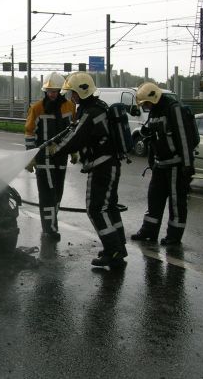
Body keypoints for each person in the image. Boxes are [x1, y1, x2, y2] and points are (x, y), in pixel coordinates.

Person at [47, 72, 127, 269]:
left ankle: (113, 250)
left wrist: (56, 151)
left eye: (72, 93)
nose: (70, 97)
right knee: (109, 207)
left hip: (103, 166)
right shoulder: (95, 108)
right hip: (109, 164)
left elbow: (76, 138)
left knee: (96, 209)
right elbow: (76, 131)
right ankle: (117, 248)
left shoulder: (91, 112)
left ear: (81, 92)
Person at [130, 82, 195, 246]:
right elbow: (153, 139)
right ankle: (149, 231)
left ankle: (174, 236)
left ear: (153, 98)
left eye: (146, 103)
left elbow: (184, 139)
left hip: (176, 165)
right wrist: (152, 161)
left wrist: (187, 165)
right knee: (154, 199)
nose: (145, 106)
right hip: (160, 165)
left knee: (176, 203)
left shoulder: (174, 109)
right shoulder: (154, 112)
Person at [24, 72, 77, 240]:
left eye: (55, 91)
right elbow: (30, 132)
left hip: (61, 156)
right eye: (49, 91)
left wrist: (74, 150)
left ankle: (52, 223)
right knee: (47, 192)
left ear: (60, 90)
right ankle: (49, 229)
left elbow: (73, 129)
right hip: (43, 157)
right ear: (45, 91)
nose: (52, 94)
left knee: (58, 192)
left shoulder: (69, 107)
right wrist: (30, 155)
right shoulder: (37, 108)